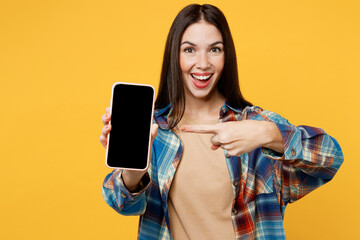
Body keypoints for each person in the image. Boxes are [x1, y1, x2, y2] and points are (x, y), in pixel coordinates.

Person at [100, 4, 343, 240]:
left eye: (215, 49)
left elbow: (331, 160)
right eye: (189, 50)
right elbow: (123, 204)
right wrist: (133, 174)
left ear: (227, 56)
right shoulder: (153, 129)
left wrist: (268, 134)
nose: (203, 63)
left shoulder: (254, 125)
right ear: (175, 55)